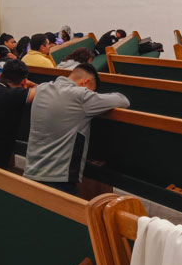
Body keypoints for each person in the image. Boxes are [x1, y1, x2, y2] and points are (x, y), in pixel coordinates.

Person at [23, 63, 129, 195]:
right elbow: (123, 100)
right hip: (58, 179)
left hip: (31, 171)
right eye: (91, 91)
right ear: (85, 82)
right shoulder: (81, 95)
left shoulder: (42, 88)